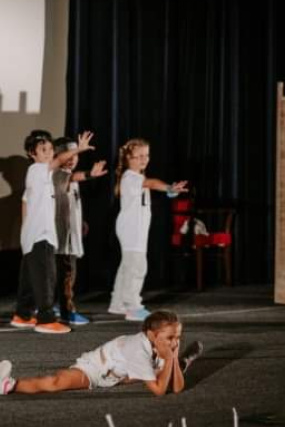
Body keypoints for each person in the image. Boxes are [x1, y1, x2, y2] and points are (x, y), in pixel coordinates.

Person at [0, 310, 204, 396]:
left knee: (164, 371)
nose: (175, 342)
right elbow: (159, 391)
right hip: (94, 368)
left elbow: (177, 389)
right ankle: (8, 385)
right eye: (170, 338)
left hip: (118, 376)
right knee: (57, 382)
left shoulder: (159, 347)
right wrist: (170, 359)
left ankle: (183, 361)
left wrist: (173, 357)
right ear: (151, 334)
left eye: (177, 337)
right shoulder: (138, 349)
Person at [10, 130, 94, 334]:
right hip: (41, 234)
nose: (49, 153)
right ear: (32, 153)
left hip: (33, 234)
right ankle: (46, 319)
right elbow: (57, 162)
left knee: (30, 278)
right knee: (46, 277)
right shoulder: (37, 169)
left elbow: (25, 202)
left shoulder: (42, 176)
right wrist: (79, 149)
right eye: (43, 150)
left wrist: (25, 231)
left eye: (50, 149)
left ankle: (22, 315)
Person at [108, 138, 188, 321]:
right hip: (131, 229)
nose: (144, 159)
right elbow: (151, 183)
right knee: (137, 267)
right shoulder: (131, 177)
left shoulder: (137, 177)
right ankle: (132, 307)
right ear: (128, 158)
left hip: (134, 228)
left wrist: (170, 191)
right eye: (139, 156)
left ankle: (118, 303)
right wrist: (168, 187)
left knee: (127, 266)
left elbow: (149, 185)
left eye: (147, 155)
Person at [50, 136, 107, 326]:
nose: (72, 158)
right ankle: (67, 311)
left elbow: (70, 203)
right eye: (68, 154)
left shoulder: (67, 175)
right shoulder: (57, 173)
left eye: (76, 154)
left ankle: (58, 306)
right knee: (66, 275)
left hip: (69, 234)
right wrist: (90, 174)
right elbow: (75, 177)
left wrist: (80, 222)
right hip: (61, 237)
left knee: (65, 275)